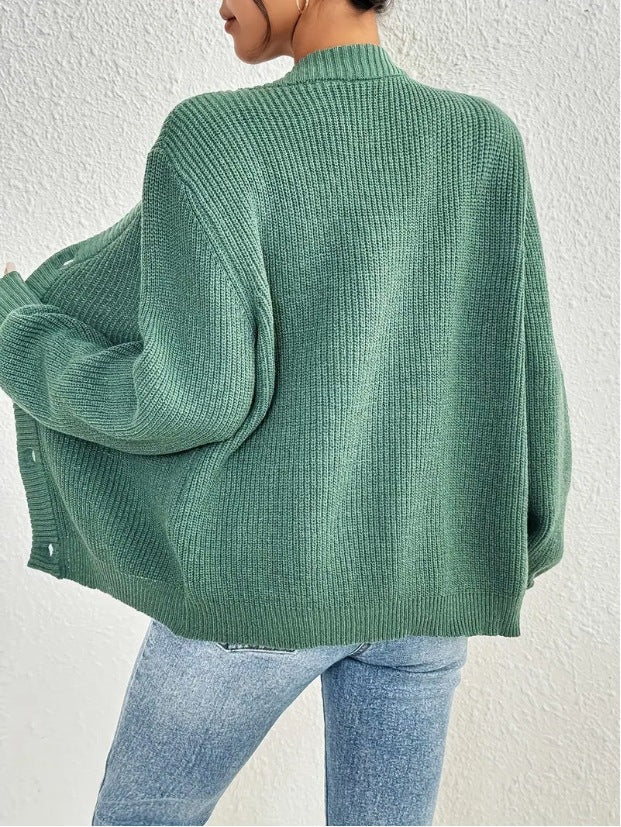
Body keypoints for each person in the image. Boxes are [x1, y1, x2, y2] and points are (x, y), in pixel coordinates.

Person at [0, 0, 572, 824]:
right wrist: (518, 541)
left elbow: (186, 397)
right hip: (428, 588)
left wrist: (21, 338)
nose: (220, 3)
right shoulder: (482, 140)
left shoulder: (217, 138)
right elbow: (522, 373)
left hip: (258, 589)